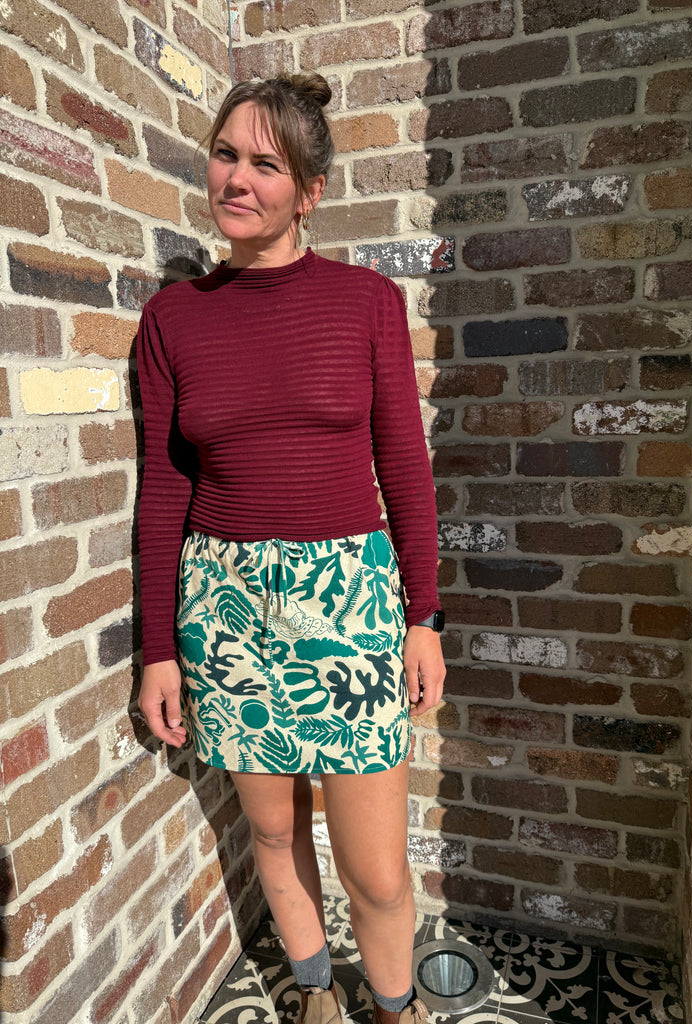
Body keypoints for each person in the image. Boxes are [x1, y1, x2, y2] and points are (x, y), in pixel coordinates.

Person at [136, 72, 446, 1024]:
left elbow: (404, 465)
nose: (237, 179)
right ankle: (314, 992)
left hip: (348, 600)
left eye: (265, 164)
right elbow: (165, 489)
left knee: (377, 870)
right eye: (225, 155)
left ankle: (395, 1006)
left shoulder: (365, 303)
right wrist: (158, 649)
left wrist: (424, 617)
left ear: (309, 192)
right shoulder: (172, 320)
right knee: (272, 832)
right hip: (224, 604)